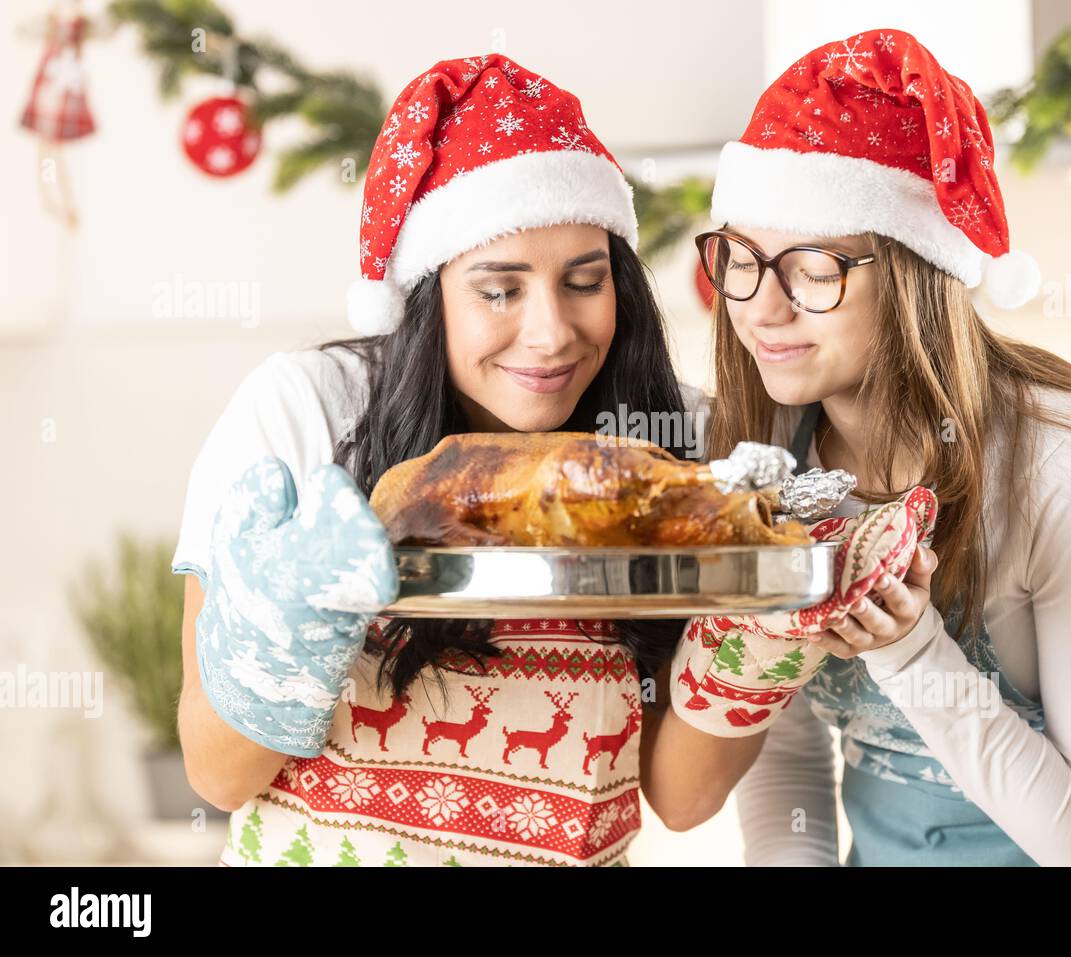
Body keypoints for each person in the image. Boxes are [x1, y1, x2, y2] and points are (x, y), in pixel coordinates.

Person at [170, 53, 749, 867]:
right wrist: (296, 622)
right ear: (426, 294)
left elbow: (681, 799)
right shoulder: (307, 412)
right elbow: (215, 773)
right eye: (499, 289)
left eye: (585, 281)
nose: (552, 332)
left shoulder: (670, 441)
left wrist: (762, 638)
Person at [676, 28, 1071, 866]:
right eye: (741, 258)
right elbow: (782, 755)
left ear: (915, 267)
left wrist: (909, 649)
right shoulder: (769, 458)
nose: (761, 309)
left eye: (814, 268)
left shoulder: (1070, 467)